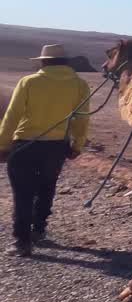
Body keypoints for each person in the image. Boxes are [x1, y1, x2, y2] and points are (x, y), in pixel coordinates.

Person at [0, 44, 90, 257]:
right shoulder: (80, 85)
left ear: (44, 61)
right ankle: (39, 229)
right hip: (57, 146)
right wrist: (77, 145)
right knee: (47, 186)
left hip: (25, 145)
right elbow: (82, 119)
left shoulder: (29, 82)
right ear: (65, 62)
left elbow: (12, 116)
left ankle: (22, 242)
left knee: (23, 193)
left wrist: (2, 144)